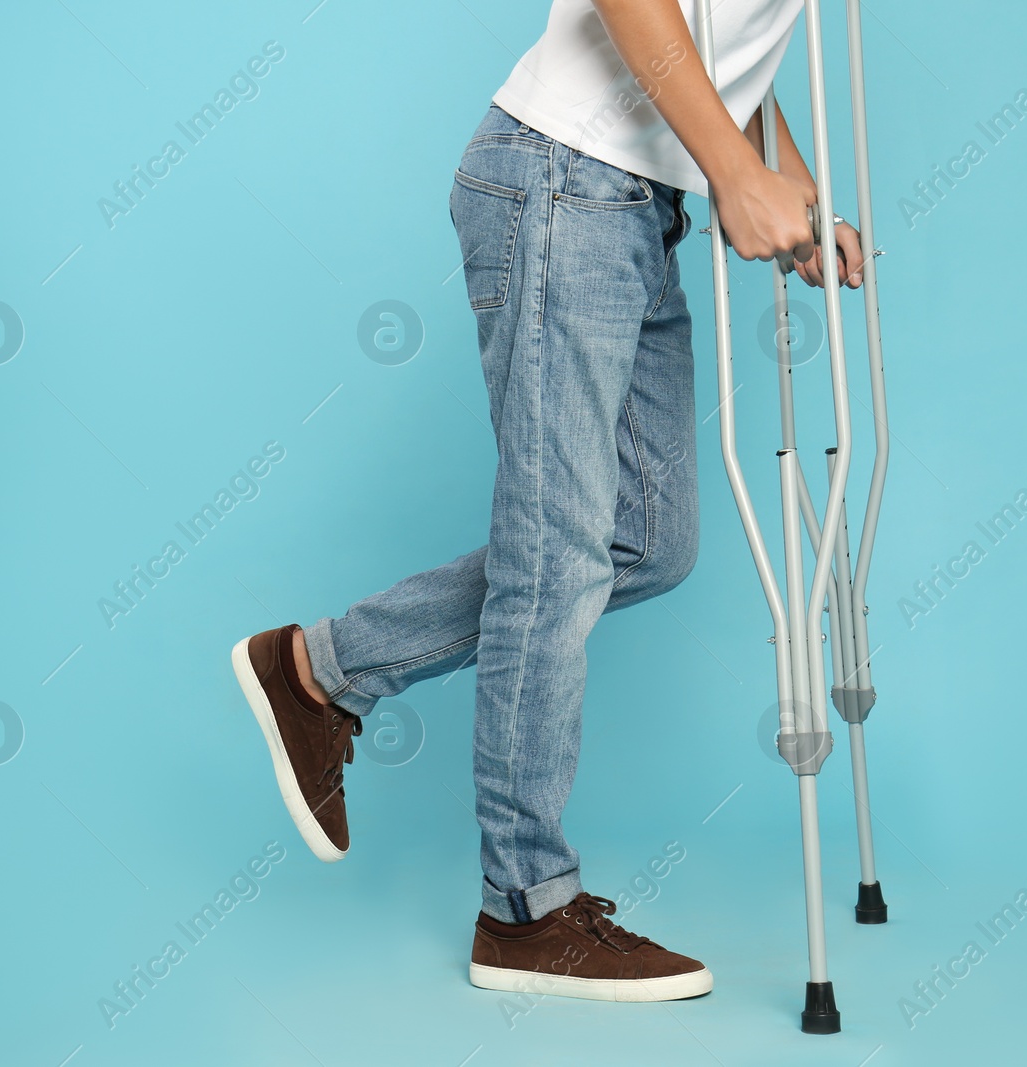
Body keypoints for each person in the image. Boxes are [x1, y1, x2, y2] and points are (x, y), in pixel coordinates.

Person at [231, 0, 863, 1004]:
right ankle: (523, 907)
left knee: (644, 541)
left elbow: (717, 34)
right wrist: (735, 177)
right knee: (558, 548)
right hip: (562, 179)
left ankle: (317, 669)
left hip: (632, 203)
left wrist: (780, 175)